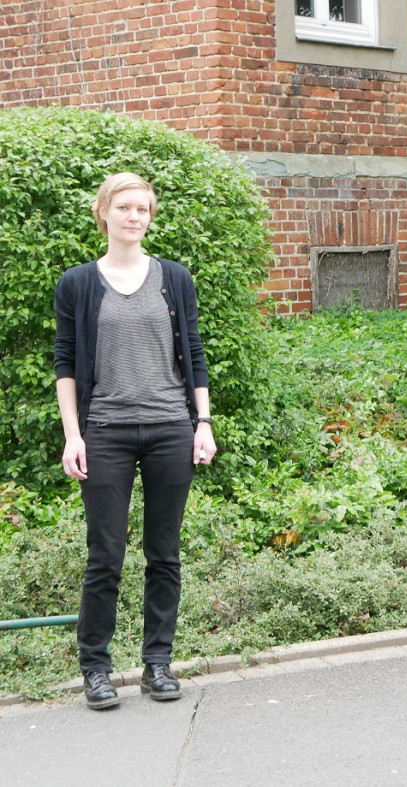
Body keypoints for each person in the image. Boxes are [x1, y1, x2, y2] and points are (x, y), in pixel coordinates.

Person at [54, 172, 217, 710]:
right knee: (105, 555)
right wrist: (72, 436)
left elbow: (193, 352)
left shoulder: (174, 278)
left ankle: (157, 664)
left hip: (171, 428)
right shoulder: (78, 284)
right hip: (106, 433)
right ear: (104, 212)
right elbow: (66, 364)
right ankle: (95, 670)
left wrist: (203, 423)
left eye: (142, 209)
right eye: (123, 207)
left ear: (150, 216)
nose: (133, 216)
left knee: (164, 553)